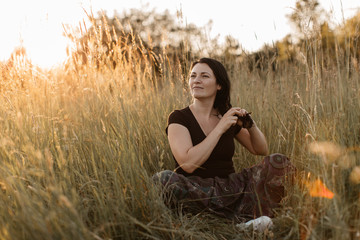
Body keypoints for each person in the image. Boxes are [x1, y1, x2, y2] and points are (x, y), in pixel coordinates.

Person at [153, 58, 295, 225]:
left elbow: (260, 149)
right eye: (193, 76)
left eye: (204, 76)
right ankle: (242, 219)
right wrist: (220, 127)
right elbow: (188, 164)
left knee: (278, 162)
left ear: (219, 85)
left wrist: (250, 125)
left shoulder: (226, 116)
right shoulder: (178, 118)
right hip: (197, 191)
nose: (196, 80)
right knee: (163, 179)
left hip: (231, 189)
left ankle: (247, 219)